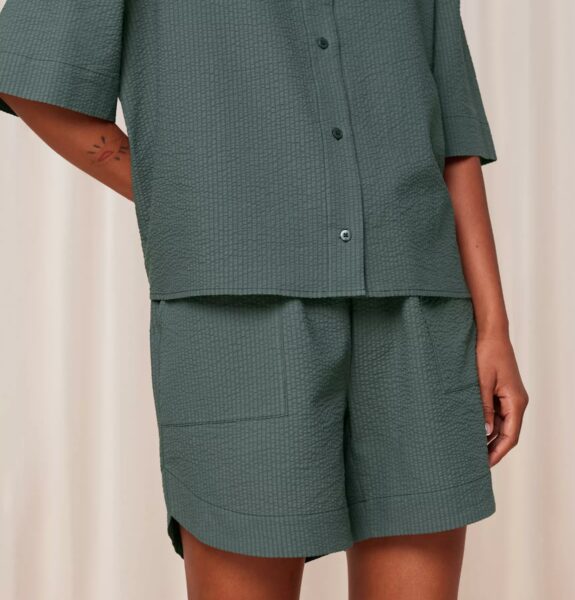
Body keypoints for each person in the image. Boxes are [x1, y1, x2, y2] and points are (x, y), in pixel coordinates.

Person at [0, 1, 529, 598]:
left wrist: (494, 329)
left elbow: (455, 141)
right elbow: (27, 74)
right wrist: (192, 202)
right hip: (239, 324)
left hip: (420, 311)